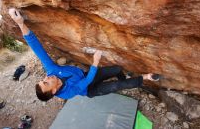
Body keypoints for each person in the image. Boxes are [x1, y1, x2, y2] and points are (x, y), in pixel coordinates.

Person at [8, 8, 160, 102]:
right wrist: (95, 61)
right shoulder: (67, 94)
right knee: (115, 86)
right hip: (89, 89)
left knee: (116, 69)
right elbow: (86, 82)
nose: (47, 77)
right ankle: (145, 77)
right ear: (54, 91)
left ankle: (124, 76)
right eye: (46, 82)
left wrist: (20, 23)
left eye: (43, 79)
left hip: (87, 74)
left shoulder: (52, 70)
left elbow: (37, 48)